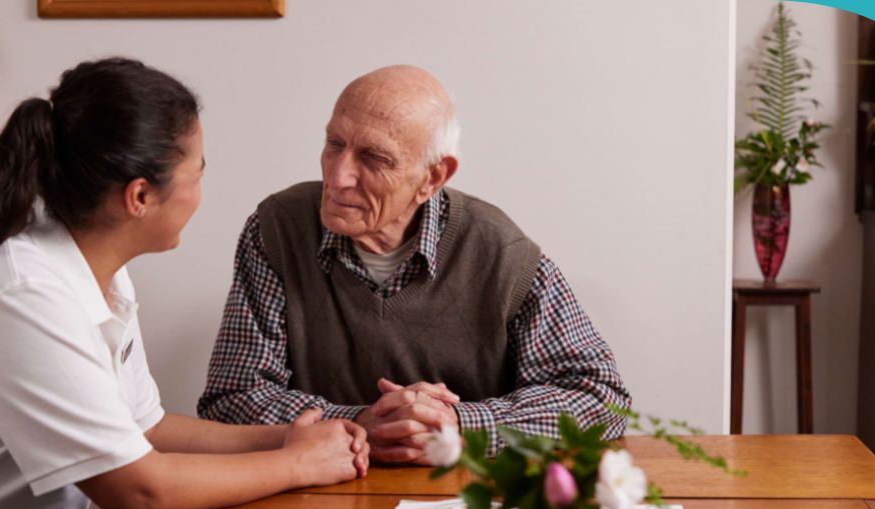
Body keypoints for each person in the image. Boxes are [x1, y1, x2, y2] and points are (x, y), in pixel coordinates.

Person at [0, 58, 367, 509]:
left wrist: (301, 439)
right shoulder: (24, 296)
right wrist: (298, 466)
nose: (202, 191)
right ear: (140, 196)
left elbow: (147, 430)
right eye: (198, 173)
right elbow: (141, 491)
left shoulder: (93, 268)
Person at [198, 65, 631, 465]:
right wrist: (360, 421)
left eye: (374, 158)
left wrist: (458, 424)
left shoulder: (499, 251)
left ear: (433, 177)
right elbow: (230, 398)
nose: (337, 176)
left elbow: (599, 398)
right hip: (318, 493)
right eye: (334, 144)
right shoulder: (277, 230)